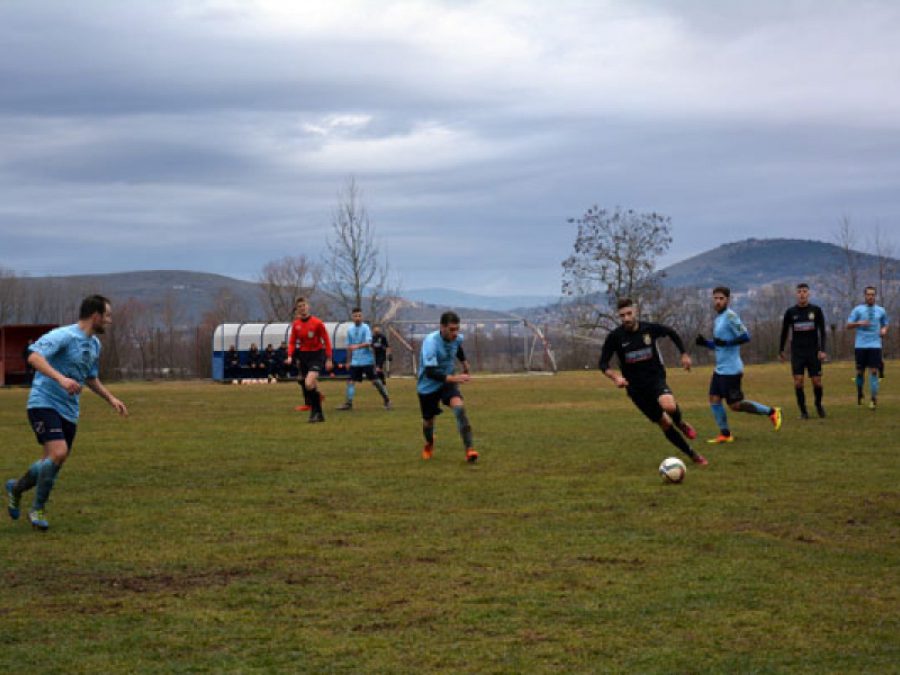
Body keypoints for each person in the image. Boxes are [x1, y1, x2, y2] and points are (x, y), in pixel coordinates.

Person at [6, 295, 128, 531]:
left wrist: (111, 398)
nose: (110, 321)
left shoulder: (95, 345)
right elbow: (32, 355)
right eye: (107, 316)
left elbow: (90, 377)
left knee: (52, 462)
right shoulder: (64, 336)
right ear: (96, 316)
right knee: (59, 452)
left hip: (69, 410)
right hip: (43, 402)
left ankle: (16, 488)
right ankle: (37, 510)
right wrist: (61, 379)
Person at [599, 298, 707, 465]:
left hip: (655, 379)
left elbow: (671, 332)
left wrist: (684, 354)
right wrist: (616, 378)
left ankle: (680, 423)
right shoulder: (615, 337)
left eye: (629, 313)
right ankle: (692, 454)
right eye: (622, 315)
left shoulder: (649, 329)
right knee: (664, 423)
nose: (626, 318)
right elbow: (603, 363)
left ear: (635, 311)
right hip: (636, 389)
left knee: (669, 406)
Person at [696, 286, 782, 443]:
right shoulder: (718, 319)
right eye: (715, 298)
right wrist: (706, 343)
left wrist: (727, 342)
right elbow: (720, 344)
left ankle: (771, 412)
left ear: (728, 300)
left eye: (721, 299)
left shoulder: (731, 316)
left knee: (735, 405)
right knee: (714, 398)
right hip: (720, 369)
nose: (718, 301)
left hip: (731, 370)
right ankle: (725, 434)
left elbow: (745, 336)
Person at [417, 311, 478, 463]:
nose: (455, 333)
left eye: (457, 329)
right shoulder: (431, 342)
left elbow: (458, 347)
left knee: (459, 408)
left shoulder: (456, 338)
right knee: (428, 422)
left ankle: (469, 449)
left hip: (447, 383)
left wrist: (464, 363)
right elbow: (431, 372)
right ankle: (429, 443)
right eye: (451, 330)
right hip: (428, 386)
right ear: (442, 327)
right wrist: (456, 378)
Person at [779, 283, 828, 419]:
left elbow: (822, 332)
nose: (802, 294)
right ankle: (803, 412)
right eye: (799, 291)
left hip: (813, 351)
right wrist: (781, 350)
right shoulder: (790, 312)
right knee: (798, 381)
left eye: (804, 291)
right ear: (796, 294)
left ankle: (818, 404)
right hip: (798, 353)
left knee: (817, 382)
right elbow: (784, 332)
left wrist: (823, 350)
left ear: (809, 294)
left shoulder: (816, 310)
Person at [285, 297, 332, 422]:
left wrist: (329, 358)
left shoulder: (317, 323)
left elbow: (326, 340)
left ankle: (314, 412)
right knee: (310, 385)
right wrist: (289, 355)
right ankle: (319, 414)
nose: (302, 308)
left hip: (317, 355)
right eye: (299, 306)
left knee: (309, 383)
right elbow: (292, 342)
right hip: (304, 356)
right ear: (297, 309)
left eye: (304, 305)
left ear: (308, 306)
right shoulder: (296, 325)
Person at [337, 308, 392, 411]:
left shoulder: (366, 328)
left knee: (375, 381)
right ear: (352, 317)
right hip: (355, 361)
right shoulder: (350, 330)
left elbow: (368, 343)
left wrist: (357, 346)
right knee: (350, 381)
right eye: (355, 316)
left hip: (367, 360)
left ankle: (387, 400)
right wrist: (348, 361)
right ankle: (348, 403)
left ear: (362, 317)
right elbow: (349, 347)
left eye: (359, 316)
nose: (357, 318)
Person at [846, 286, 889, 410]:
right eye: (868, 294)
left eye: (872, 294)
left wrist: (884, 330)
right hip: (860, 346)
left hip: (875, 345)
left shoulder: (881, 310)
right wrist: (859, 323)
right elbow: (848, 325)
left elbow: (886, 323)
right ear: (865, 296)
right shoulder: (858, 310)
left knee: (874, 371)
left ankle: (873, 399)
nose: (870, 297)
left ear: (875, 296)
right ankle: (860, 393)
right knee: (860, 372)